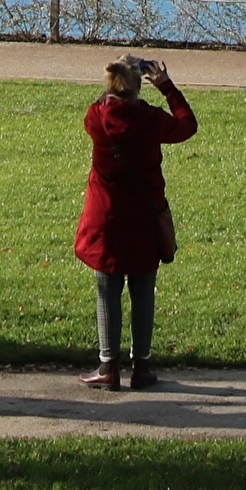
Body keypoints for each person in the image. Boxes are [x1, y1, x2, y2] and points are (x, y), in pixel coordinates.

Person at [73, 53, 194, 389]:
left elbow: (100, 103)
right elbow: (188, 125)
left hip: (106, 217)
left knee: (107, 290)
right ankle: (141, 366)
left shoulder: (96, 117)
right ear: (140, 85)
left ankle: (107, 366)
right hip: (143, 216)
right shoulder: (150, 119)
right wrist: (167, 87)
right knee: (143, 291)